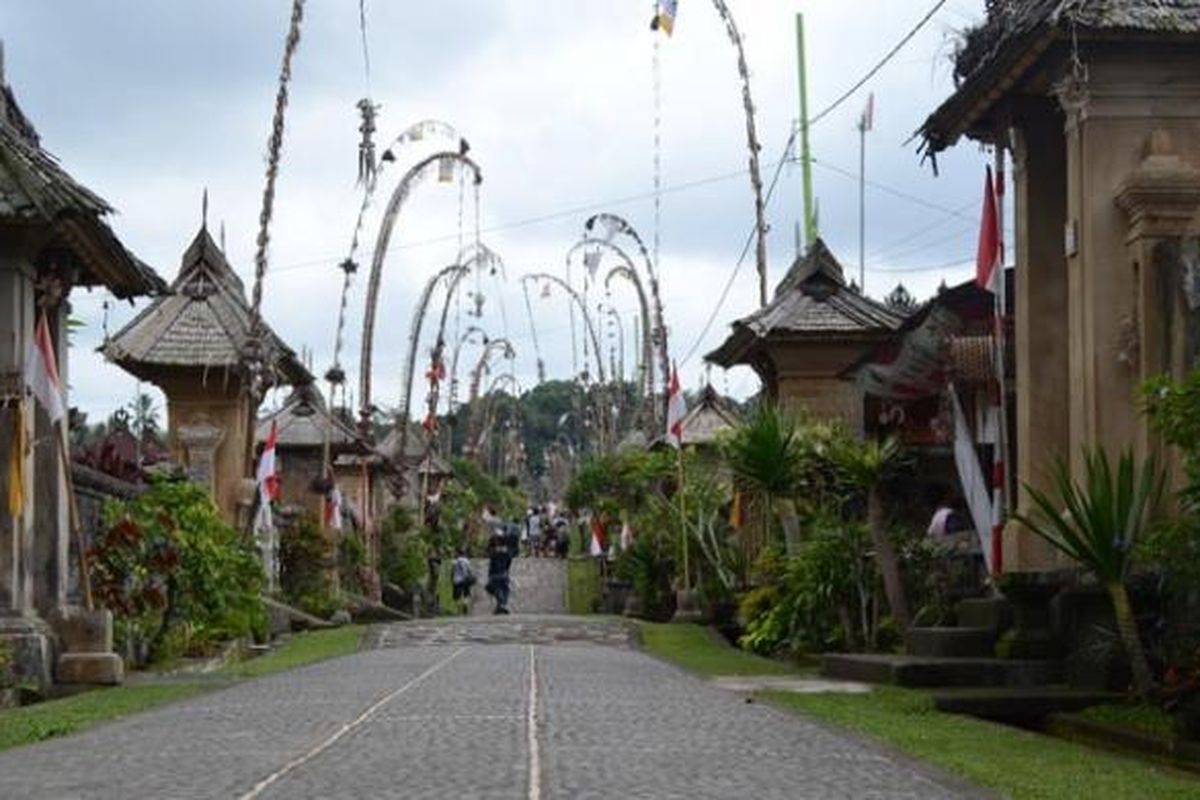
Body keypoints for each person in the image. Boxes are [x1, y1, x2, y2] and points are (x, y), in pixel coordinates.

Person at [485, 529, 514, 614]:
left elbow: (491, 563)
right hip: (503, 573)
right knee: (504, 590)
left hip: (495, 574)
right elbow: (509, 562)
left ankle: (501, 605)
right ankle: (501, 605)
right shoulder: (506, 551)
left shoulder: (493, 551)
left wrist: (490, 575)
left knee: (497, 589)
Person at [450, 549, 475, 615]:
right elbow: (470, 571)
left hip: (457, 580)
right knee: (466, 594)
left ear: (458, 553)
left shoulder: (454, 561)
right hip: (465, 580)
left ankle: (458, 610)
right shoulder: (467, 561)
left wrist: (451, 579)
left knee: (456, 597)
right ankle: (465, 604)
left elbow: (452, 572)